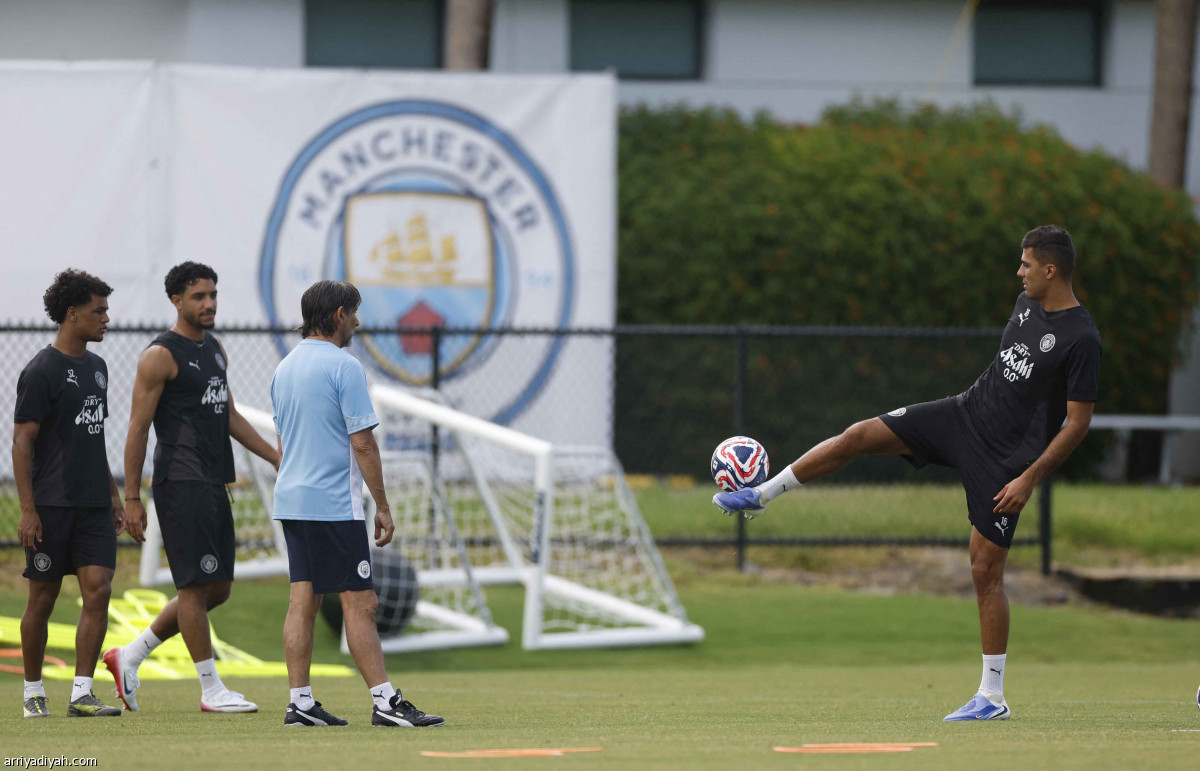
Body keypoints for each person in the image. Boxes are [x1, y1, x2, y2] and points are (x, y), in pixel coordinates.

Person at [714, 225, 1102, 722]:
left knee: (984, 571)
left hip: (1005, 461)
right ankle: (761, 495)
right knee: (858, 435)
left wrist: (1028, 478)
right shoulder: (1026, 303)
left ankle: (992, 697)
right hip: (961, 415)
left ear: (1050, 269)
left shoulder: (1082, 338)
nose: (1018, 272)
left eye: (1026, 264)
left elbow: (1077, 424)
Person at [103, 262, 279, 714]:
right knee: (196, 588)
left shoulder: (216, 349)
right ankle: (211, 689)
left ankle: (130, 655)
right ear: (176, 301)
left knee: (217, 589)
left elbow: (230, 414)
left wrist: (276, 457)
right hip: (181, 482)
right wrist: (132, 497)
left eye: (213, 294)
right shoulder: (159, 356)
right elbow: (137, 428)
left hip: (214, 480)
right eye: (199, 296)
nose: (209, 303)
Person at [270, 279, 444, 728]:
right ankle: (386, 702)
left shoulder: (284, 368)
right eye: (354, 313)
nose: (358, 322)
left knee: (303, 599)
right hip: (331, 504)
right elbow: (363, 444)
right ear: (338, 315)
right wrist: (382, 506)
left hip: (291, 499)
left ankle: (300, 702)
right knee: (361, 601)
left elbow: (283, 444)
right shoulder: (344, 367)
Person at [14, 269, 126, 718]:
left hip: (94, 505)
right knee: (42, 599)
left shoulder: (98, 369)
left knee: (98, 590)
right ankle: (32, 691)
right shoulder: (41, 370)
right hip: (51, 505)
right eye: (99, 311)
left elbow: (92, 438)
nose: (106, 319)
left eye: (107, 310)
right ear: (72, 313)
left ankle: (82, 694)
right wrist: (28, 509)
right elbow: (22, 443)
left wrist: (114, 496)